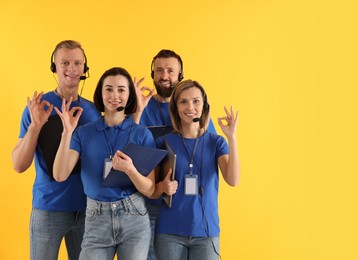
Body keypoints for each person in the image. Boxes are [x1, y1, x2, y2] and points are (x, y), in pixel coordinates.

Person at [53, 67, 156, 260]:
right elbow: (60, 174)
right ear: (100, 93)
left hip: (133, 216)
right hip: (96, 217)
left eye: (121, 90)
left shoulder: (141, 134)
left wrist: (131, 170)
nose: (114, 95)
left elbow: (150, 189)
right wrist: (67, 132)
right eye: (108, 89)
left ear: (129, 95)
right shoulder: (83, 133)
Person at [11, 40, 100, 260]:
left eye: (78, 63)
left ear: (84, 69)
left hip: (88, 210)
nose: (72, 68)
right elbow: (19, 165)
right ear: (55, 67)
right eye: (65, 63)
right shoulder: (38, 107)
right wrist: (35, 126)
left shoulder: (94, 110)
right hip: (48, 209)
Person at [132, 49, 217, 260]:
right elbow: (129, 148)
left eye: (170, 70)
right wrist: (136, 111)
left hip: (184, 208)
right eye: (159, 70)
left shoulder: (193, 109)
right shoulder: (142, 107)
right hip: (149, 204)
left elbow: (209, 151)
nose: (164, 75)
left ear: (180, 74)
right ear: (153, 74)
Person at [153, 79, 240, 260]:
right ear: (175, 107)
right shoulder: (164, 142)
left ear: (204, 106)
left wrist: (232, 138)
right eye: (183, 101)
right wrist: (162, 187)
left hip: (206, 233)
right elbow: (152, 189)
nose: (190, 107)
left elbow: (233, 180)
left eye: (196, 101)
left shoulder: (216, 142)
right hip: (169, 233)